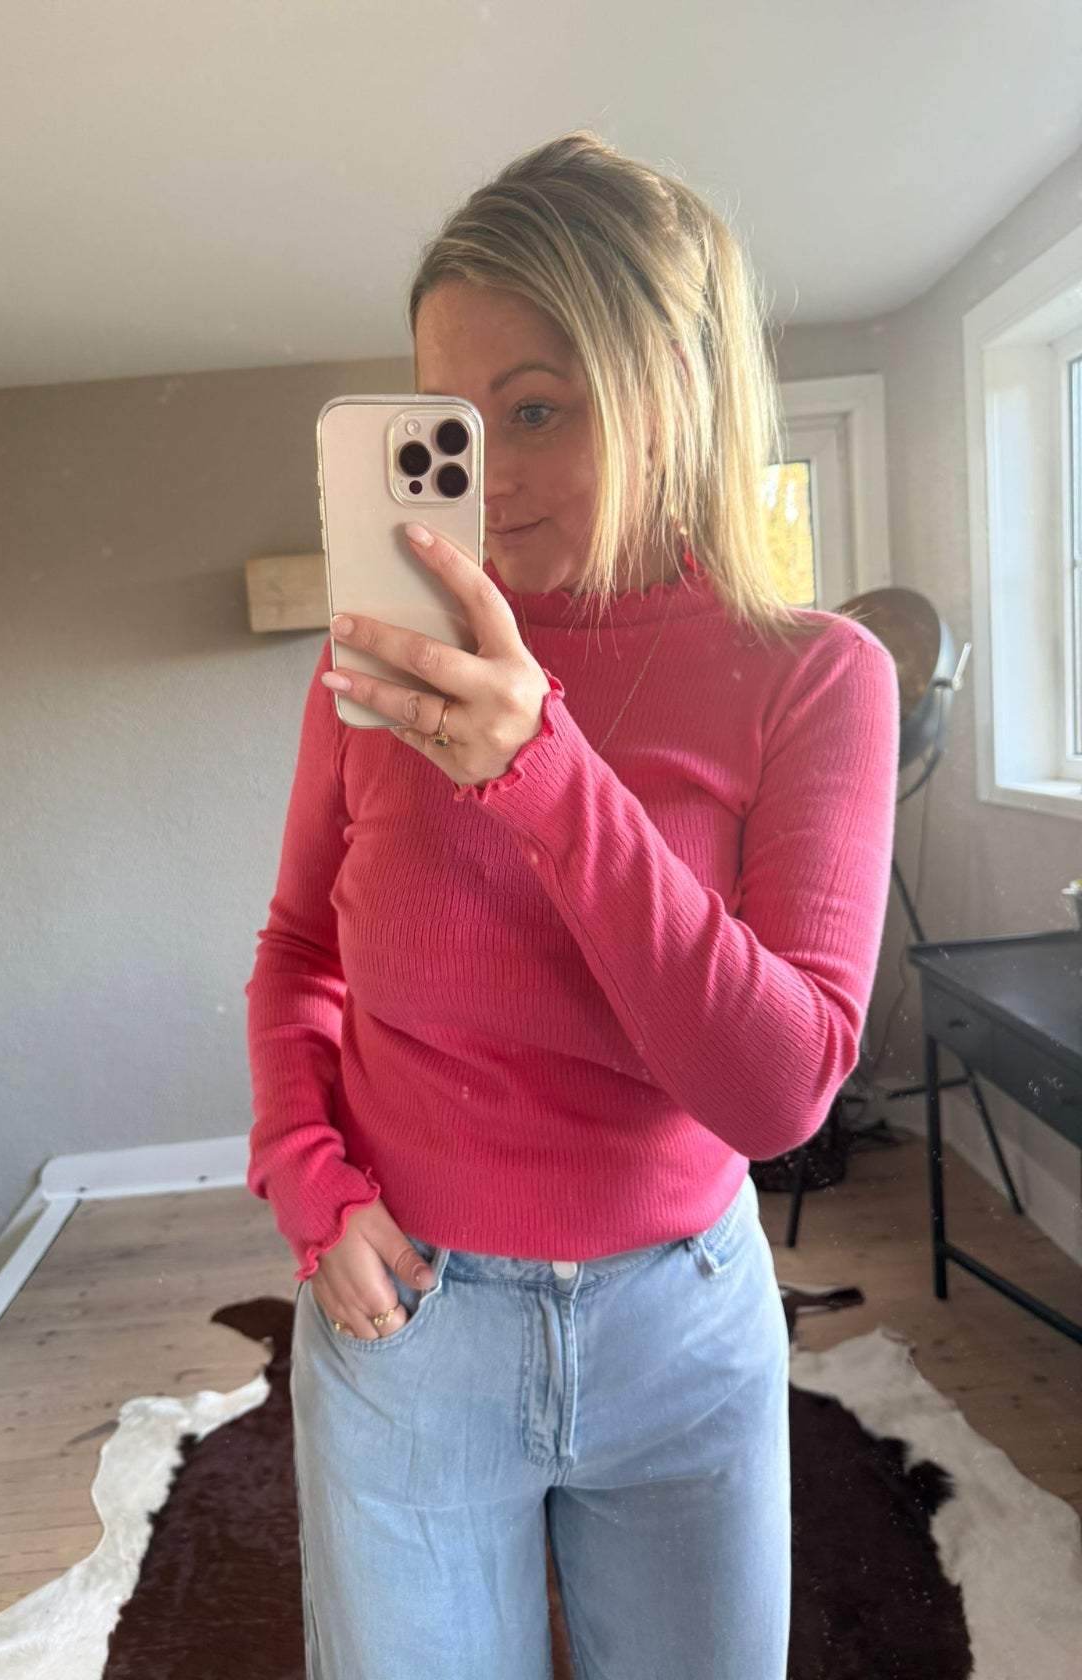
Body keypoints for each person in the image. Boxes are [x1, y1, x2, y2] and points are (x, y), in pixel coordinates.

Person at [245, 130, 899, 1680]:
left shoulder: (816, 678)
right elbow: (299, 952)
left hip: (683, 1332)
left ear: (671, 385)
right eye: (455, 422)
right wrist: (307, 1184)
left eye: (536, 408)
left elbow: (779, 1092)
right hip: (411, 1324)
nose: (493, 470)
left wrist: (543, 768)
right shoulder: (381, 671)